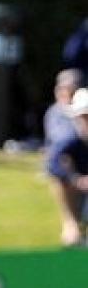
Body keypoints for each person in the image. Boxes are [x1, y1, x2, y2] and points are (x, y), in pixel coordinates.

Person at [46, 87, 88, 246]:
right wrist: (76, 179)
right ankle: (71, 225)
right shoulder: (70, 139)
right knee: (60, 182)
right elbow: (53, 163)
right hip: (77, 193)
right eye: (84, 116)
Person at [44, 69, 81, 151]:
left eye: (71, 89)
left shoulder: (82, 109)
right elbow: (62, 138)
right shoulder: (54, 112)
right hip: (62, 153)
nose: (66, 92)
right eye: (62, 89)